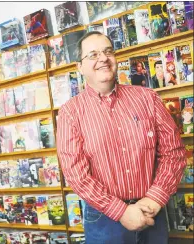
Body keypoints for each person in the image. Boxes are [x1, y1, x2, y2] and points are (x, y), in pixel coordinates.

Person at [57, 31, 186, 244]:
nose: (103, 59)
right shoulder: (70, 112)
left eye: (108, 52)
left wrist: (155, 197)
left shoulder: (147, 98)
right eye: (93, 54)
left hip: (151, 211)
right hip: (104, 219)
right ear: (79, 67)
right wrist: (121, 211)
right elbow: (76, 174)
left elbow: (174, 153)